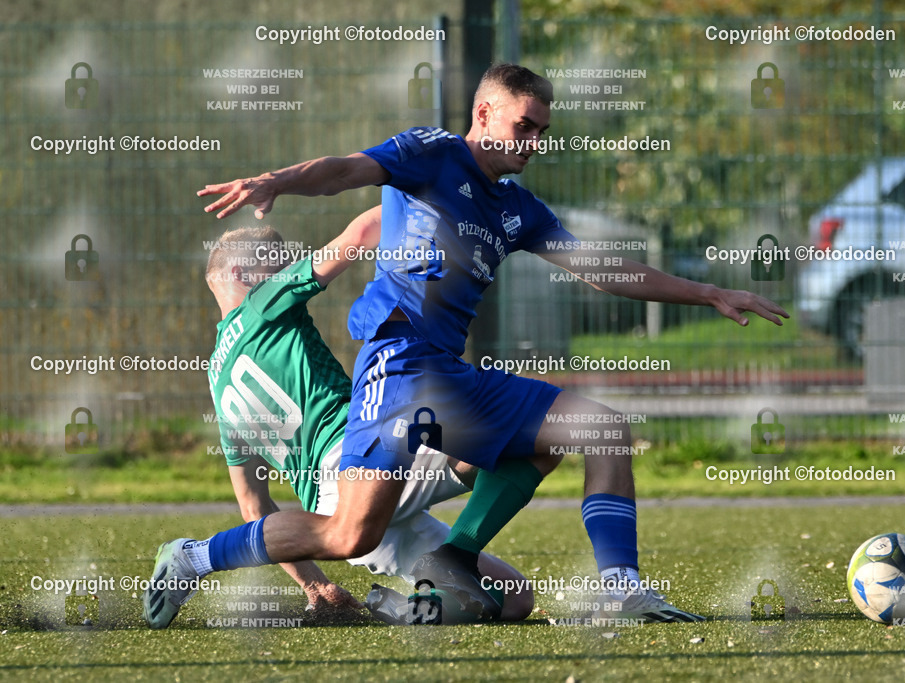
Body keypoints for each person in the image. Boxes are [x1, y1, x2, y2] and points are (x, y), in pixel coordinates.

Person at [197, 63, 788, 623]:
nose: (533, 142)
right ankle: (194, 558)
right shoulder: (430, 153)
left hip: (449, 376)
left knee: (600, 430)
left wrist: (707, 291)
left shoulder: (518, 209)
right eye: (523, 126)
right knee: (350, 535)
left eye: (542, 132)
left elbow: (603, 269)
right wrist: (277, 181)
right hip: (398, 366)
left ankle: (610, 588)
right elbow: (345, 171)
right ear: (483, 114)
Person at [143, 210, 535, 629]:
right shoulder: (261, 304)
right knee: (522, 432)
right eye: (277, 264)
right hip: (362, 458)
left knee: (513, 599)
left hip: (332, 510)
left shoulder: (217, 380)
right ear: (242, 273)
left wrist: (316, 586)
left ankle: (410, 608)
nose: (288, 270)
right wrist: (427, 199)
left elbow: (253, 505)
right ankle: (457, 555)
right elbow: (360, 234)